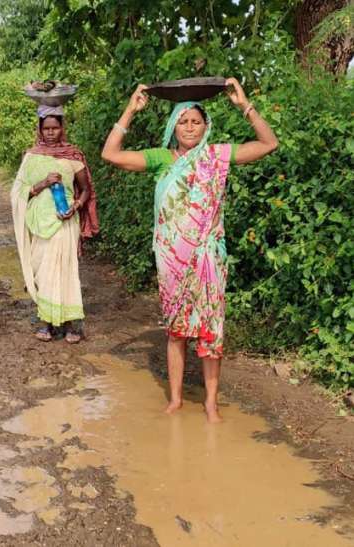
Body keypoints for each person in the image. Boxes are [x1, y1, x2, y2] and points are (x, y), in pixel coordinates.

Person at [100, 77, 278, 423]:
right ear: (173, 125)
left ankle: (211, 403)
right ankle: (176, 399)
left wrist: (245, 106)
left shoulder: (216, 155)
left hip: (209, 259)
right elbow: (110, 155)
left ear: (206, 126)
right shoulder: (162, 158)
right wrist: (130, 110)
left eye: (197, 121)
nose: (190, 127)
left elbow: (268, 144)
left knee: (212, 330)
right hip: (172, 262)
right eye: (183, 120)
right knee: (177, 330)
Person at [11, 105, 99, 343]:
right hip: (39, 222)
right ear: (40, 130)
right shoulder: (30, 156)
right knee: (42, 269)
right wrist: (43, 183)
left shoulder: (73, 156)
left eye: (55, 127)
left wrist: (76, 207)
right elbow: (19, 192)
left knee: (64, 269)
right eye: (46, 128)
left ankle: (71, 324)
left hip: (64, 221)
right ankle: (46, 321)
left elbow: (86, 190)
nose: (51, 132)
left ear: (62, 128)